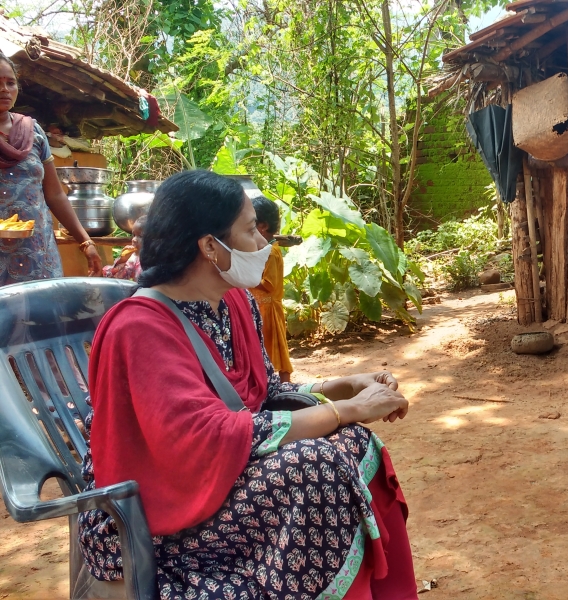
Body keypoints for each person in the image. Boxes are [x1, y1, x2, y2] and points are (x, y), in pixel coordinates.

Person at [78, 171, 418, 600]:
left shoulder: (234, 302)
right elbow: (205, 437)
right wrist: (347, 410)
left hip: (220, 475)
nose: (263, 242)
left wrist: (344, 387)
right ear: (209, 246)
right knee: (315, 468)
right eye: (250, 229)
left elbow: (265, 395)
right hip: (152, 509)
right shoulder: (139, 328)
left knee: (355, 442)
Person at [0, 52, 101, 284]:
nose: (4, 89)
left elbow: (55, 195)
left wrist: (85, 242)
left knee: (41, 306)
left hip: (38, 253)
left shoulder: (33, 131)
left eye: (10, 83)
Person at [250, 195, 293, 383]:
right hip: (260, 308)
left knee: (278, 350)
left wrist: (245, 277)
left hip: (269, 310)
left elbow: (269, 284)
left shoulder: (272, 252)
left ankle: (286, 386)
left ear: (262, 226)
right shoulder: (263, 249)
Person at [102, 215, 146, 281]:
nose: (134, 239)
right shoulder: (134, 259)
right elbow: (112, 277)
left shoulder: (160, 261)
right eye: (134, 235)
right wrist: (122, 260)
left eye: (140, 236)